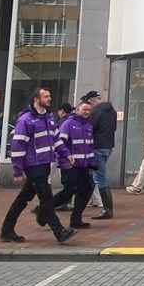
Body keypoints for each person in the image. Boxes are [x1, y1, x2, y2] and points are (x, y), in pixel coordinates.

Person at [0, 86, 75, 244]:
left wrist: (66, 154)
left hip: (44, 164)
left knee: (23, 198)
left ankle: (7, 230)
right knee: (46, 199)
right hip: (33, 166)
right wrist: (17, 171)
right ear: (36, 99)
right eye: (45, 96)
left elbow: (56, 139)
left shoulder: (48, 117)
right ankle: (59, 232)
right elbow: (17, 146)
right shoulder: (26, 120)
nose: (49, 99)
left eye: (49, 96)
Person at [54, 98, 97, 230]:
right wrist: (65, 159)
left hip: (83, 165)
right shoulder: (68, 124)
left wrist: (91, 163)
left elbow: (89, 147)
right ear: (77, 109)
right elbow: (59, 143)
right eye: (84, 109)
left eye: (89, 110)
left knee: (87, 189)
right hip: (70, 165)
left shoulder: (88, 127)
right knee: (68, 192)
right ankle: (43, 209)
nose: (87, 112)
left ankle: (76, 219)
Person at [85, 89, 119, 219]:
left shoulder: (96, 111)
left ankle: (107, 209)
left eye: (89, 102)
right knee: (96, 175)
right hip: (108, 146)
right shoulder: (112, 111)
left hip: (97, 146)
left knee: (99, 177)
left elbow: (90, 128)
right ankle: (98, 203)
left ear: (92, 100)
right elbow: (114, 128)